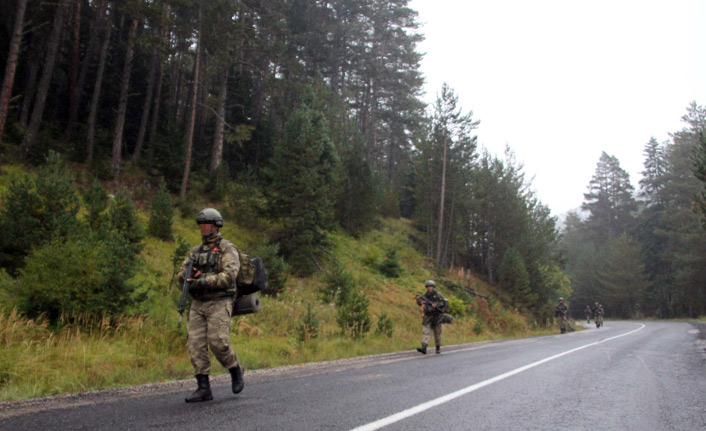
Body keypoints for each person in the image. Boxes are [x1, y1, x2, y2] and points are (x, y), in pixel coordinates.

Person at [177, 208, 244, 403]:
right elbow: (181, 275)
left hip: (219, 301)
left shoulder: (227, 249)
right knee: (195, 345)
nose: (203, 229)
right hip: (198, 303)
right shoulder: (195, 252)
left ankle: (235, 369)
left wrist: (202, 278)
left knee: (217, 341)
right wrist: (187, 274)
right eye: (201, 225)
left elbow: (229, 277)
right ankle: (203, 387)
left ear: (216, 226)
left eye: (207, 225)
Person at [415, 280, 447, 354]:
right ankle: (424, 347)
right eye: (428, 287)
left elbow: (443, 303)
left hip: (437, 316)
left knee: (437, 333)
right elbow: (419, 300)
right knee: (425, 331)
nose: (429, 288)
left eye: (430, 287)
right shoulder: (425, 295)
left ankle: (438, 347)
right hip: (428, 316)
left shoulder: (438, 294)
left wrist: (436, 305)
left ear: (433, 287)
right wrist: (420, 302)